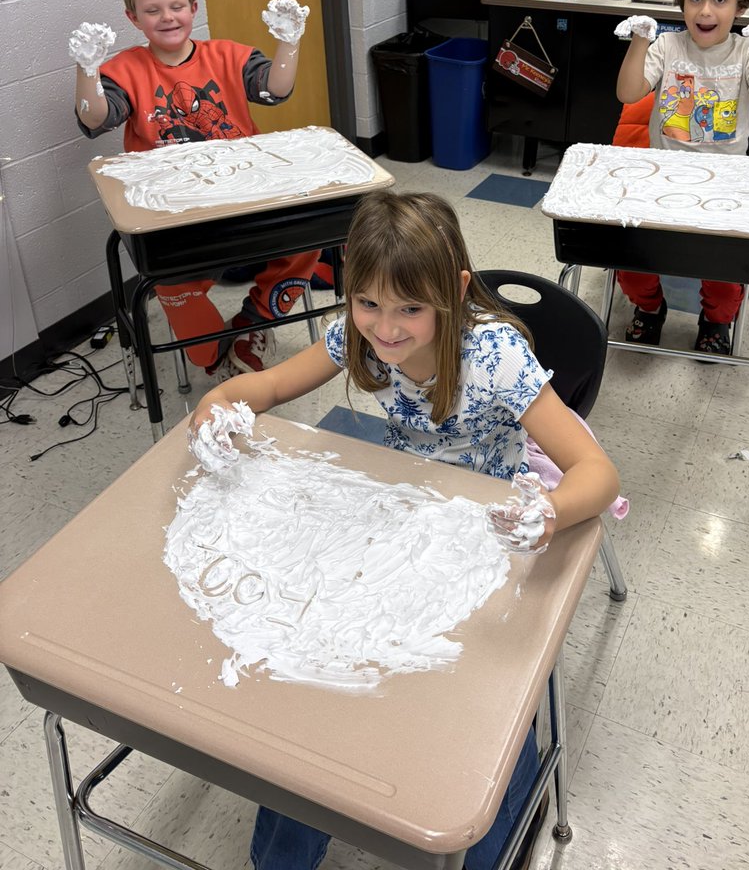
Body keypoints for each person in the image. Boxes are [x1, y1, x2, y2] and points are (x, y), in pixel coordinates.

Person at [190, 188, 622, 870]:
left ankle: (501, 837)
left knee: (487, 699)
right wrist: (216, 406)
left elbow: (596, 472)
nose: (385, 330)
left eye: (409, 310)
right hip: (401, 516)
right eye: (368, 304)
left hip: (494, 527)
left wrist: (549, 513)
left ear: (452, 292)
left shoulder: (496, 356)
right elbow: (267, 389)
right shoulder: (356, 334)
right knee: (319, 674)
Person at [69, 0, 324, 377]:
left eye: (176, 6)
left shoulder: (228, 55)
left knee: (309, 237)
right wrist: (87, 69)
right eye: (153, 10)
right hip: (177, 210)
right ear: (133, 18)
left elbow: (276, 91)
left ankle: (255, 322)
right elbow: (96, 117)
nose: (167, 17)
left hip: (246, 194)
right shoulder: (124, 70)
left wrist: (290, 42)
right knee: (181, 308)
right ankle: (214, 348)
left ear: (194, 8)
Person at [614, 0, 749, 355]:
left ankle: (715, 320)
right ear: (682, 3)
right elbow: (628, 92)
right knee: (631, 254)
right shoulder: (669, 46)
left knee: (727, 267)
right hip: (663, 175)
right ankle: (649, 308)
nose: (705, 11)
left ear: (740, 7)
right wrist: (641, 40)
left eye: (720, 0)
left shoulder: (745, 49)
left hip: (725, 183)